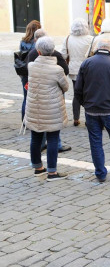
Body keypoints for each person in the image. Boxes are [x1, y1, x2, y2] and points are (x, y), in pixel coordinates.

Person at [75, 39, 110, 182]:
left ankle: (100, 173)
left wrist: (85, 105)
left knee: (95, 142)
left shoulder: (87, 63)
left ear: (96, 48)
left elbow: (78, 90)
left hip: (92, 110)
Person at [25, 36, 69, 182]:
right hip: (52, 109)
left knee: (36, 138)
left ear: (38, 51)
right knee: (52, 139)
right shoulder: (57, 69)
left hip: (35, 107)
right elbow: (66, 86)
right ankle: (52, 172)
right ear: (53, 51)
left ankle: (38, 168)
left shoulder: (31, 66)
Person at [62, 18, 93, 126]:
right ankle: (89, 118)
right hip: (88, 69)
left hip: (74, 70)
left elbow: (63, 55)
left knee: (76, 94)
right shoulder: (90, 39)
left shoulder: (68, 39)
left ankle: (76, 118)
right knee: (89, 94)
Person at [19, 20, 41, 121]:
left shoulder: (23, 41)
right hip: (36, 71)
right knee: (37, 97)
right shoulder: (38, 42)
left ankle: (24, 120)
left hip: (25, 71)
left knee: (26, 97)